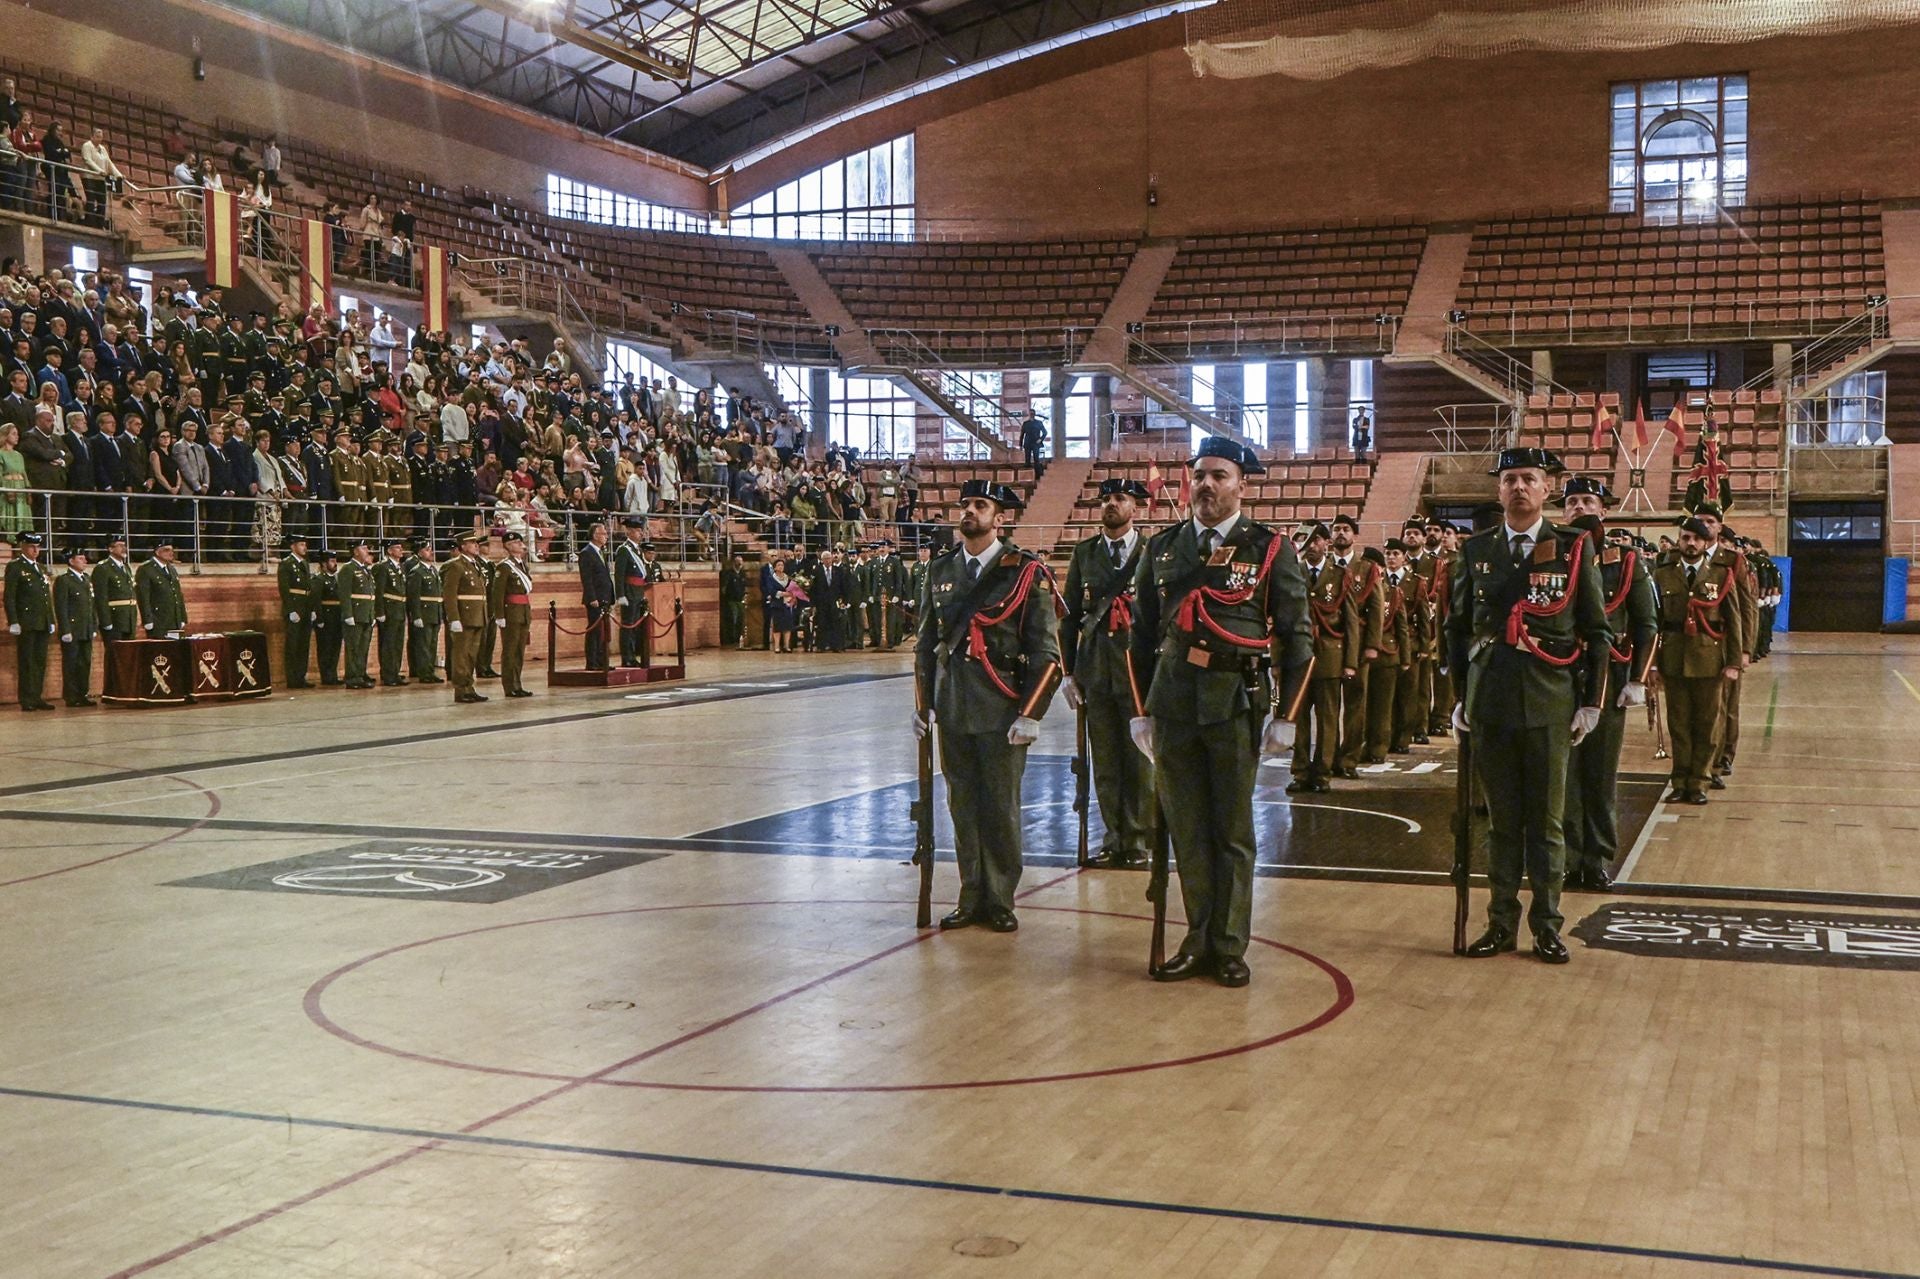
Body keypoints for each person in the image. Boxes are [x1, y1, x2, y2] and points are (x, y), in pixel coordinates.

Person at [1128, 438, 1311, 986]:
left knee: (1231, 832)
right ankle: (1197, 937)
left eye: (1219, 475)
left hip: (1234, 702)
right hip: (1175, 704)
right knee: (1187, 829)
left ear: (1242, 484)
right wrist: (1142, 712)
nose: (1206, 484)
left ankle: (1230, 944)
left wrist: (1288, 716)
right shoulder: (1161, 549)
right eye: (1199, 474)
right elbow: (1139, 640)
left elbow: (1298, 637)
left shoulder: (1270, 549)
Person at [1445, 447, 1611, 966]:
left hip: (1548, 703)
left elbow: (1597, 632)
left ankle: (1547, 925)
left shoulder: (1573, 548)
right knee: (1500, 825)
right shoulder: (1475, 552)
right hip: (1490, 703)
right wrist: (1458, 698)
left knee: (1546, 824)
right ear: (1499, 490)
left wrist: (1592, 704)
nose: (1519, 487)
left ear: (1547, 489)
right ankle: (1499, 923)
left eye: (1529, 479)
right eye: (1510, 479)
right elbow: (1456, 630)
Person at [911, 479, 1062, 932]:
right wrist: (925, 705)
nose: (969, 512)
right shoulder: (940, 570)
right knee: (963, 806)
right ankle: (970, 893)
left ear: (1001, 518)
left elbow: (1046, 653)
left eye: (980, 505)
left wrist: (1032, 713)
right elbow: (925, 646)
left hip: (1003, 708)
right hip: (955, 706)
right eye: (966, 504)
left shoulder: (1026, 572)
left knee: (999, 806)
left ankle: (999, 897)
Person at [1559, 479, 1656, 890]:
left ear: (1604, 511)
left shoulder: (1627, 560)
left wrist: (1637, 679)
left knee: (1599, 775)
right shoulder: (1550, 554)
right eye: (1572, 501)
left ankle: (1596, 858)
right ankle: (1564, 857)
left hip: (1609, 678)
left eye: (1588, 501)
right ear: (1561, 511)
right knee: (1562, 777)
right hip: (1560, 673)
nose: (1579, 507)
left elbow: (1648, 624)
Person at [1062, 477, 1153, 868]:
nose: (1111, 505)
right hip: (1096, 669)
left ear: (1137, 507)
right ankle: (1114, 837)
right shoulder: (1085, 554)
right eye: (1106, 499)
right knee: (1106, 761)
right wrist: (1068, 673)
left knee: (1139, 760)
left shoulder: (1152, 552)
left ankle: (1138, 839)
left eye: (1120, 499)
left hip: (1138, 671)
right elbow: (1068, 618)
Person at [1651, 516, 1744, 806]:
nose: (1689, 543)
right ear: (1679, 541)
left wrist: (1734, 662)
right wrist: (1652, 663)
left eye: (1695, 539)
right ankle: (1679, 781)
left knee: (1707, 724)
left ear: (1705, 543)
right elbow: (1654, 619)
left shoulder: (1720, 573)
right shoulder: (1664, 572)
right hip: (1674, 656)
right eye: (1685, 538)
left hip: (1709, 657)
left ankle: (1701, 781)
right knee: (1678, 723)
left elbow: (1734, 619)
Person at [1291, 522, 1366, 794]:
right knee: (1298, 718)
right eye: (1307, 541)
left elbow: (1350, 622)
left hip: (1330, 657)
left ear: (1326, 544)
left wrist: (1350, 662)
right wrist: (1278, 660)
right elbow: (1282, 618)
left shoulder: (1340, 574)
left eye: (1317, 541)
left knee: (1328, 718)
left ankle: (1322, 773)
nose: (1311, 547)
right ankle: (1300, 772)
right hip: (1298, 656)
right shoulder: (1293, 572)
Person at [1361, 544, 1408, 763]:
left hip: (1387, 654)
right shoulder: (1355, 588)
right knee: (1361, 706)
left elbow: (1402, 628)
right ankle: (1360, 745)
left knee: (1382, 707)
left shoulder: (1392, 591)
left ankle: (1378, 748)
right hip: (1359, 655)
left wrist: (1406, 659)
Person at [5, 531, 56, 710]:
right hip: (26, 621)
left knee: (40, 661)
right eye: (32, 547)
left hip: (41, 621)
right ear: (23, 547)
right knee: (27, 661)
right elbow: (9, 596)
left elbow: (45, 597)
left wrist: (50, 619)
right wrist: (13, 621)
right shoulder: (15, 567)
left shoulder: (40, 568)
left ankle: (36, 696)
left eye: (37, 547)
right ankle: (26, 699)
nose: (36, 550)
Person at [441, 530, 489, 703]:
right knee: (461, 655)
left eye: (476, 543)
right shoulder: (456, 565)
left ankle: (469, 686)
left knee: (471, 655)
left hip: (476, 616)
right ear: (463, 546)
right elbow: (449, 594)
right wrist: (453, 618)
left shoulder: (475, 565)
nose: (476, 546)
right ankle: (461, 690)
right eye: (472, 543)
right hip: (464, 616)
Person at [489, 530, 535, 698]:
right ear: (508, 546)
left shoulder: (522, 564)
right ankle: (510, 686)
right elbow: (497, 593)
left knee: (519, 651)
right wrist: (499, 615)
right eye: (516, 542)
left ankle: (518, 684)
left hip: (523, 612)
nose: (520, 544)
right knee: (510, 650)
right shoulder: (504, 566)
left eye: (520, 541)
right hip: (511, 613)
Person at [54, 544, 96, 706]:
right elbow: (61, 606)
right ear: (71, 561)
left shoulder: (86, 579)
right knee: (71, 663)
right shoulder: (64, 580)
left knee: (84, 662)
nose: (84, 560)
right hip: (72, 629)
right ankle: (71, 696)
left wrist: (93, 625)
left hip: (85, 628)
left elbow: (91, 605)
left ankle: (82, 694)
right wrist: (65, 629)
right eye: (80, 558)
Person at [336, 539, 377, 690]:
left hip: (366, 614)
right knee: (353, 648)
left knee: (363, 648)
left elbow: (371, 595)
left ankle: (360, 674)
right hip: (355, 614)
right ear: (355, 551)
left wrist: (372, 614)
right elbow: (344, 594)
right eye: (364, 548)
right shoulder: (348, 569)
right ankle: (352, 677)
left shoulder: (366, 569)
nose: (367, 551)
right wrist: (348, 614)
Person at [277, 531, 314, 689]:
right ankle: (292, 678)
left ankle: (301, 676)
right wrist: (291, 609)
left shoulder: (304, 563)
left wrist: (311, 608)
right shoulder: (286, 563)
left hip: (305, 606)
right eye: (301, 544)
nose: (304, 547)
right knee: (293, 644)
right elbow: (284, 589)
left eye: (305, 544)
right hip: (295, 607)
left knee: (303, 644)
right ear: (293, 546)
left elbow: (308, 587)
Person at [613, 516, 650, 667]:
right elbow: (619, 574)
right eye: (637, 530)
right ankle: (626, 657)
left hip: (638, 592)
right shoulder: (624, 550)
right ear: (629, 532)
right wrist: (620, 595)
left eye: (641, 530)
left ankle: (633, 655)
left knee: (635, 626)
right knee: (627, 625)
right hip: (628, 593)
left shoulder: (637, 550)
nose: (641, 533)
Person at [405, 537, 443, 684]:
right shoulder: (417, 571)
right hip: (424, 612)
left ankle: (430, 671)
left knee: (432, 644)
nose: (431, 552)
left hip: (434, 612)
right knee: (423, 645)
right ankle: (424, 673)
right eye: (427, 550)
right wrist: (416, 615)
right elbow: (414, 596)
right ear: (419, 553)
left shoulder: (433, 569)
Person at [373, 535, 410, 687]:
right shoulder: (383, 567)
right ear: (389, 550)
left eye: (401, 547)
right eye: (397, 547)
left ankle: (394, 671)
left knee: (397, 643)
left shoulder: (400, 566)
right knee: (388, 643)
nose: (401, 550)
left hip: (399, 609)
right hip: (389, 609)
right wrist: (379, 612)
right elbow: (379, 590)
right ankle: (388, 674)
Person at [578, 520, 613, 670]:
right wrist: (592, 597)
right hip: (595, 599)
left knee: (602, 632)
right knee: (594, 631)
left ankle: (601, 661)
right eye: (603, 533)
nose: (606, 536)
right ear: (594, 535)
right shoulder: (587, 553)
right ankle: (592, 662)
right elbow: (587, 578)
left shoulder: (600, 552)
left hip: (604, 598)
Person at [135, 539, 187, 637]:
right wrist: (147, 619)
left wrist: (182, 617)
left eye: (172, 550)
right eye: (167, 550)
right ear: (157, 552)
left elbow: (178, 594)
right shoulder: (146, 569)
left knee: (174, 650)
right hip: (158, 620)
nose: (171, 553)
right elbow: (143, 596)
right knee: (159, 650)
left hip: (174, 619)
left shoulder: (171, 569)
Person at [91, 533, 137, 642]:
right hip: (114, 618)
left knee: (128, 654)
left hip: (128, 618)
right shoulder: (103, 568)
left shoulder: (126, 567)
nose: (124, 548)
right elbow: (100, 597)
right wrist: (106, 621)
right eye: (120, 546)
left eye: (124, 545)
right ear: (110, 549)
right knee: (115, 654)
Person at [312, 546, 344, 686]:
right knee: (325, 647)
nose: (335, 563)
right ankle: (327, 676)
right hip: (326, 617)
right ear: (324, 564)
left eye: (335, 560)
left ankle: (333, 674)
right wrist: (319, 618)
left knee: (335, 647)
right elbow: (316, 600)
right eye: (332, 561)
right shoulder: (319, 579)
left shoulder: (336, 579)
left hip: (336, 617)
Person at [762, 555, 799, 653]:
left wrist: (791, 595)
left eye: (782, 565)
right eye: (778, 565)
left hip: (787, 604)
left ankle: (786, 646)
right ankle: (777, 646)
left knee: (787, 626)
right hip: (777, 604)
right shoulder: (771, 578)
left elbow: (793, 589)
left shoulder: (788, 578)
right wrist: (783, 594)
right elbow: (771, 590)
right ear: (774, 567)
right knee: (777, 626)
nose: (781, 567)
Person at [719, 552, 748, 649]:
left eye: (740, 562)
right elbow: (724, 588)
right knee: (733, 619)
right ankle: (731, 638)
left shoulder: (743, 574)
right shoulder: (729, 574)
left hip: (740, 600)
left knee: (740, 619)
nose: (739, 564)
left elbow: (744, 587)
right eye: (737, 562)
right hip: (731, 600)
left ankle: (737, 638)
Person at [1019, 409, 1047, 476]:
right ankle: (1027, 475)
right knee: (1027, 460)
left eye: (1033, 413)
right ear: (1029, 414)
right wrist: (1020, 445)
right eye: (1030, 413)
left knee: (1036, 459)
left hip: (1035, 443)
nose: (1031, 415)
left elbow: (1045, 432)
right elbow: (1022, 434)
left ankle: (1038, 475)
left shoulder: (1039, 423)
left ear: (1034, 414)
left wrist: (1041, 439)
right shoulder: (1025, 423)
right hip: (1027, 443)